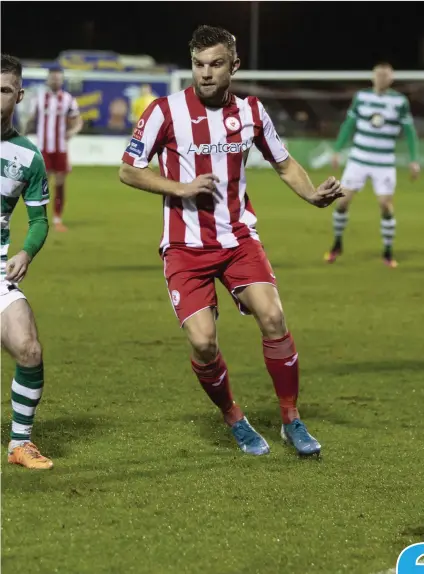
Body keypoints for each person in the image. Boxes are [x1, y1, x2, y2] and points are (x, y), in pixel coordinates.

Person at [119, 25, 344, 457]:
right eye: (198, 65)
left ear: (234, 67)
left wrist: (312, 193)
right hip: (184, 248)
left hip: (238, 238)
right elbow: (128, 169)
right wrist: (180, 188)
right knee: (203, 343)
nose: (205, 73)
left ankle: (291, 419)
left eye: (215, 64)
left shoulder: (253, 112)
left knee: (274, 318)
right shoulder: (164, 112)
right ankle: (234, 418)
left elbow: (283, 163)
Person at [1, 54, 53, 470]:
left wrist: (25, 251)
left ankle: (20, 444)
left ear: (18, 95)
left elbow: (38, 220)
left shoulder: (28, 157)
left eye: (3, 90)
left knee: (29, 348)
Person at [325, 62, 420, 268]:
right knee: (341, 202)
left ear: (391, 79)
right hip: (358, 159)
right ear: (373, 77)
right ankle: (337, 244)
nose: (382, 79)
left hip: (384, 162)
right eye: (379, 75)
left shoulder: (399, 101)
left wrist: (414, 159)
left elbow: (410, 131)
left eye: (386, 76)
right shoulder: (361, 97)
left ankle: (387, 251)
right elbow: (349, 124)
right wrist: (337, 150)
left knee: (385, 205)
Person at [27, 67, 83, 232]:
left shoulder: (68, 99)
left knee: (59, 183)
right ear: (48, 79)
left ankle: (57, 219)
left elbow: (77, 121)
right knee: (40, 184)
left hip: (60, 148)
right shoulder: (39, 98)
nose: (55, 81)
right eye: (53, 78)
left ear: (62, 81)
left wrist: (72, 131)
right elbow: (30, 119)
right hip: (43, 147)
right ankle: (38, 219)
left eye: (58, 78)